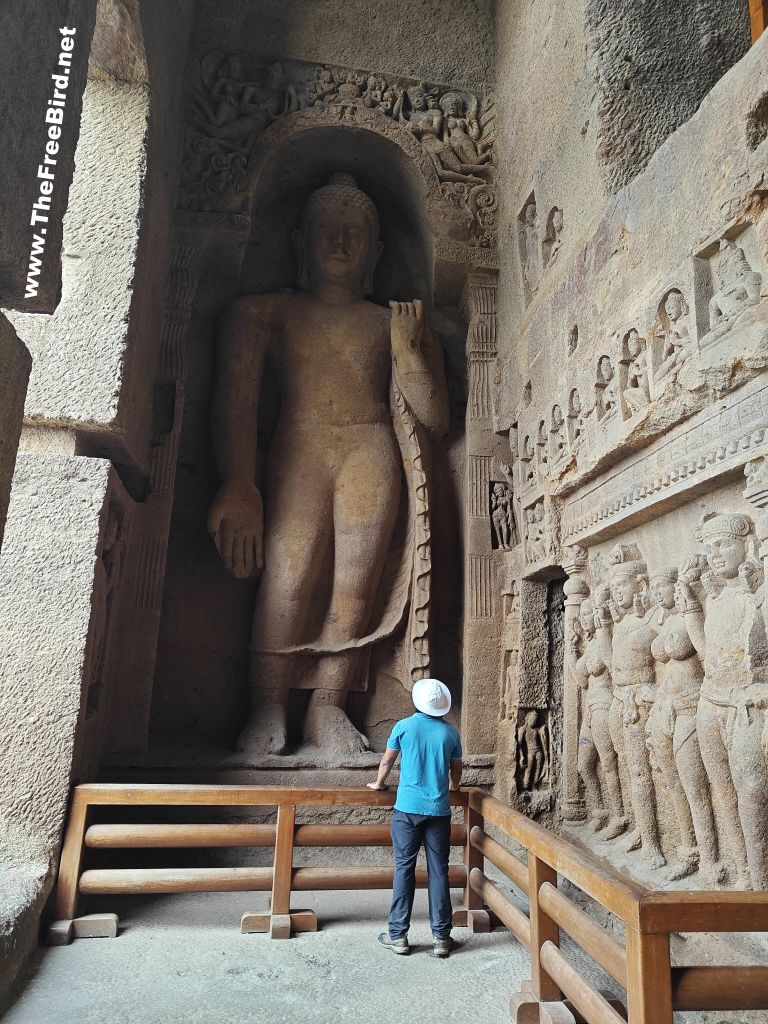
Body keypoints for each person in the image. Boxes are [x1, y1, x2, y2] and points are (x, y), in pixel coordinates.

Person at [367, 678, 462, 958]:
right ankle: (442, 938)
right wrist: (454, 788)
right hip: (439, 811)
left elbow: (387, 761)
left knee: (403, 869)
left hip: (407, 810)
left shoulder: (403, 727)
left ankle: (398, 937)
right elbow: (456, 769)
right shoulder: (450, 733)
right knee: (439, 872)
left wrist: (379, 783)